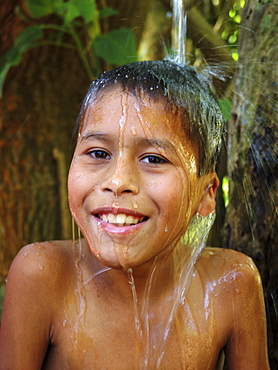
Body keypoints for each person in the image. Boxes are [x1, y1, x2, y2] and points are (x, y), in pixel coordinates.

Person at [0, 60, 269, 369]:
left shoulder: (230, 284)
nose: (118, 182)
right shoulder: (43, 277)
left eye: (153, 158)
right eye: (98, 153)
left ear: (207, 194)